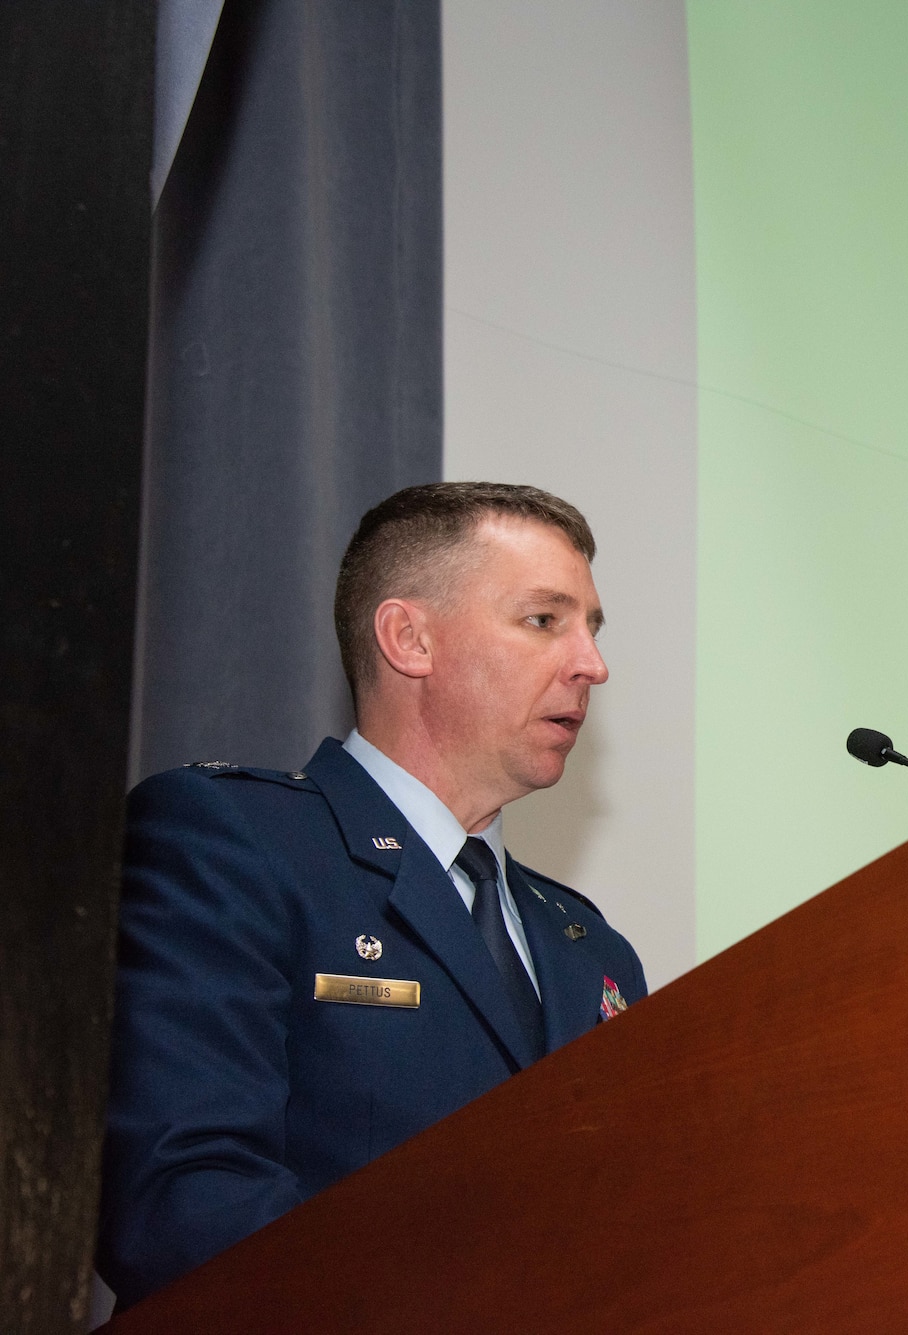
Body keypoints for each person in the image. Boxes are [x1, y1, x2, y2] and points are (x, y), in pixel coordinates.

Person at [97, 482, 648, 1308]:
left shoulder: (589, 947)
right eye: (545, 620)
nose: (592, 664)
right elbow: (179, 1198)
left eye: (592, 629)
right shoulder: (234, 842)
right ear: (408, 638)